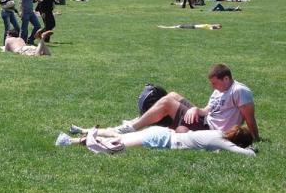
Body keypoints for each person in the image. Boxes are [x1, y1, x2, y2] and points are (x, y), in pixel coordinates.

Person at [100, 64, 259, 140]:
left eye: (214, 83)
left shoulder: (239, 91)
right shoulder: (221, 90)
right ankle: (137, 121)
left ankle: (131, 128)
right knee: (173, 95)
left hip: (211, 129)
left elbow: (249, 117)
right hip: (204, 120)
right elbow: (208, 110)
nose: (212, 87)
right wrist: (196, 109)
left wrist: (255, 137)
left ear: (226, 78)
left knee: (168, 102)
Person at [56, 126, 255, 156]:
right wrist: (251, 149)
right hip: (161, 140)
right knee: (116, 147)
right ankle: (70, 141)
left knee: (118, 137)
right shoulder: (221, 142)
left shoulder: (217, 132)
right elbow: (246, 154)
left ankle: (74, 136)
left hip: (161, 132)